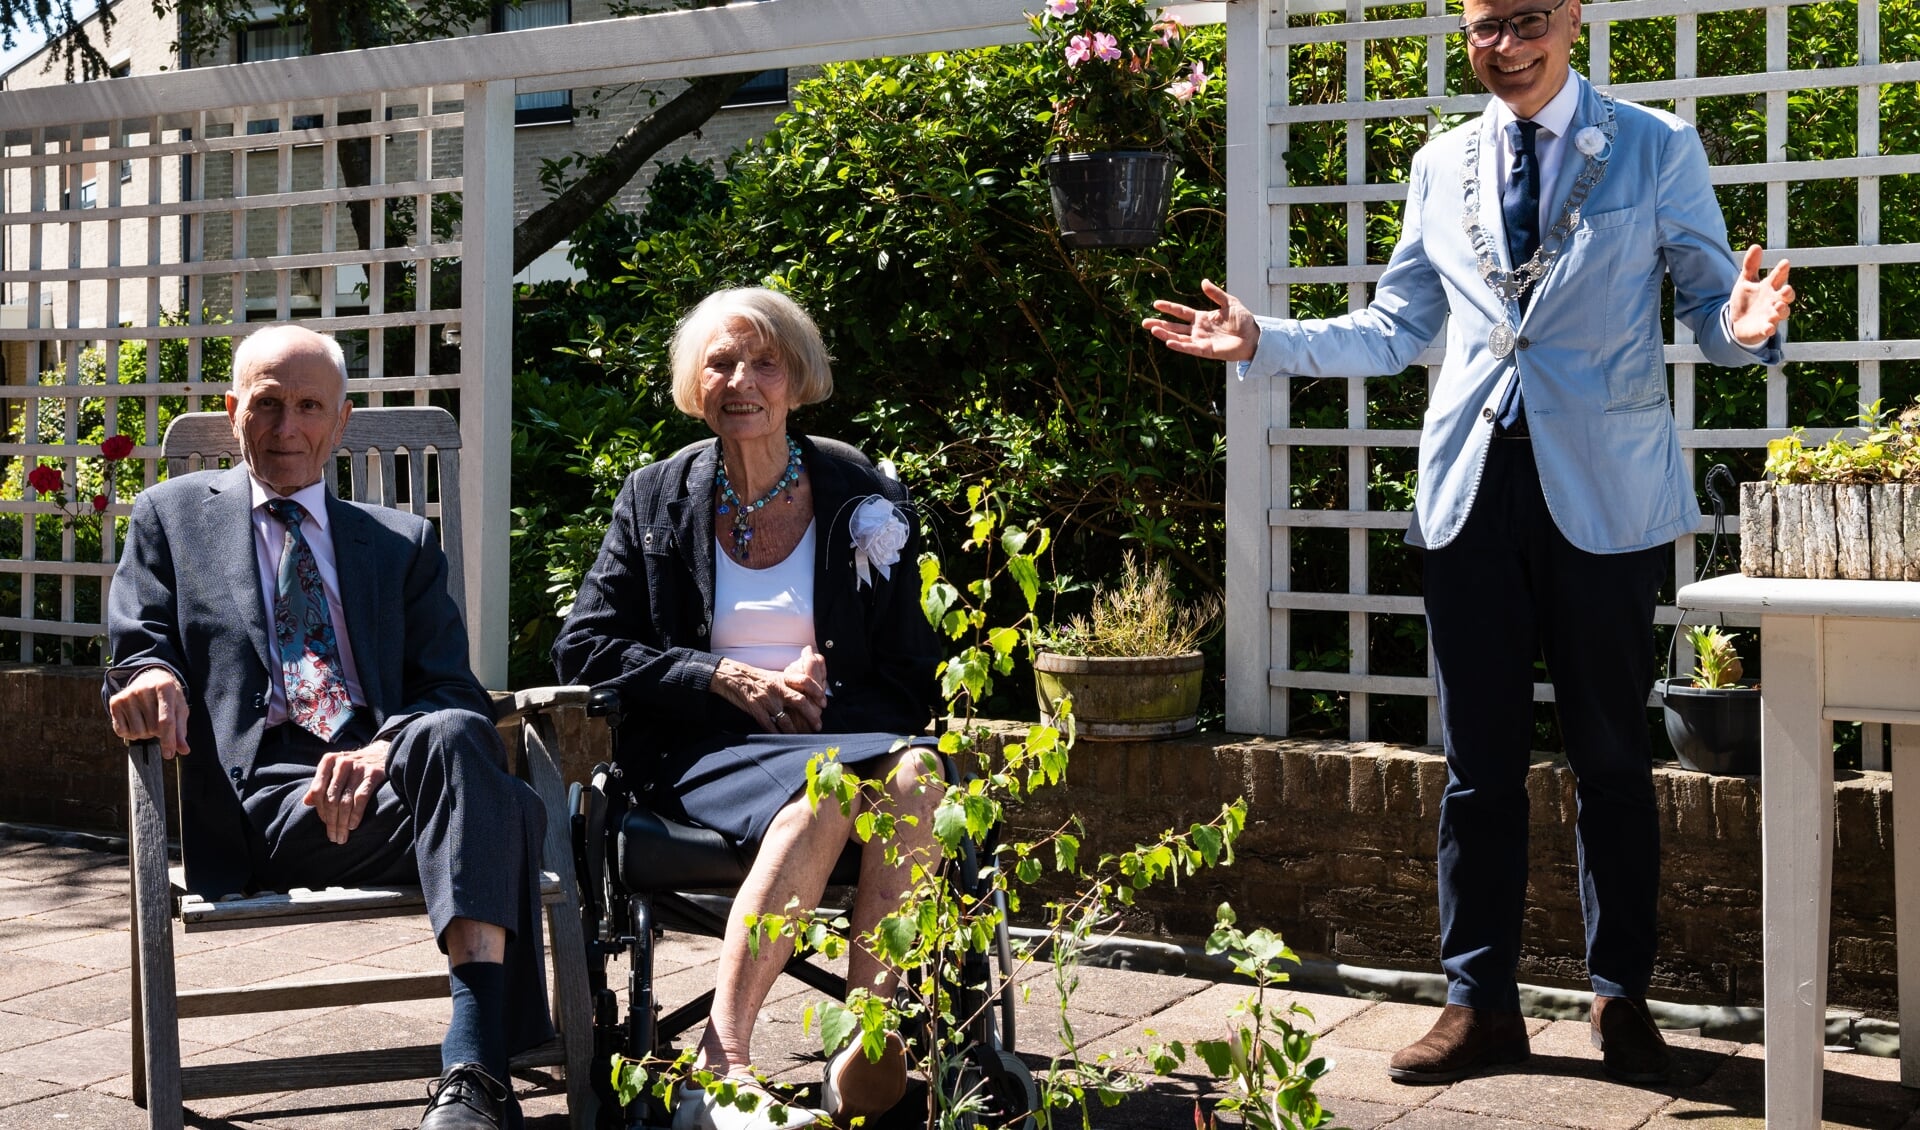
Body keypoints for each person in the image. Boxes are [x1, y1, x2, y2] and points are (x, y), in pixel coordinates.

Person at [1144, 0, 1794, 1089]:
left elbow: (1707, 306)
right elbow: (1398, 325)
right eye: (1485, 26)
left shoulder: (1654, 143)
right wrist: (1266, 337)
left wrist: (1745, 324)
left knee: (1614, 760)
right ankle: (1478, 999)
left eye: (1526, 20)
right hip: (1470, 494)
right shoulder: (1439, 160)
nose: (1505, 45)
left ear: (1573, 18)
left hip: (1606, 497)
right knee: (1477, 768)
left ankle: (1623, 998)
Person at [103, 324, 552, 1130]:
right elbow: (139, 642)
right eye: (267, 406)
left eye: (309, 406)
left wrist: (380, 751)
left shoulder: (401, 544)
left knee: (453, 733)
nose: (287, 430)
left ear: (340, 421)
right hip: (264, 799)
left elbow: (450, 687)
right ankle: (484, 1065)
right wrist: (151, 677)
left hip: (392, 790)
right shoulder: (171, 518)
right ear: (234, 410)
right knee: (512, 810)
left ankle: (471, 1071)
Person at [552, 287, 945, 1130]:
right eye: (721, 362)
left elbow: (917, 668)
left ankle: (865, 1039)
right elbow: (581, 650)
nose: (742, 381)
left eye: (764, 362)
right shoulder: (654, 498)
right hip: (698, 751)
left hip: (840, 736)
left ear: (796, 379)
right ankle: (720, 1068)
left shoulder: (860, 495)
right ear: (695, 383)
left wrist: (825, 694)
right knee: (832, 792)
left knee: (918, 773)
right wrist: (717, 676)